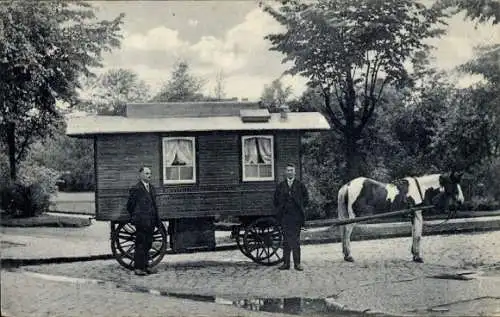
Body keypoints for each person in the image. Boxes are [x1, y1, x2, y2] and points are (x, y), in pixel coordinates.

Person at [126, 166, 161, 276]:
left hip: (151, 221)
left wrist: (156, 219)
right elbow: (130, 206)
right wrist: (137, 217)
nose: (149, 175)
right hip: (141, 222)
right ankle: (138, 268)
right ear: (141, 175)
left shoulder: (152, 188)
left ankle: (146, 266)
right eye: (146, 173)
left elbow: (154, 205)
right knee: (140, 244)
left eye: (150, 173)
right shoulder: (136, 189)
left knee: (148, 244)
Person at [273, 163, 309, 271]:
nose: (290, 172)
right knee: (286, 241)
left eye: (291, 170)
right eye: (288, 170)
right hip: (285, 217)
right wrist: (281, 208)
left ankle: (297, 264)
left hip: (296, 217)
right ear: (285, 172)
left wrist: (300, 207)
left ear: (294, 172)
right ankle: (286, 264)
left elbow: (306, 198)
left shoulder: (300, 185)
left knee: (296, 241)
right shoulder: (281, 186)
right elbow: (275, 200)